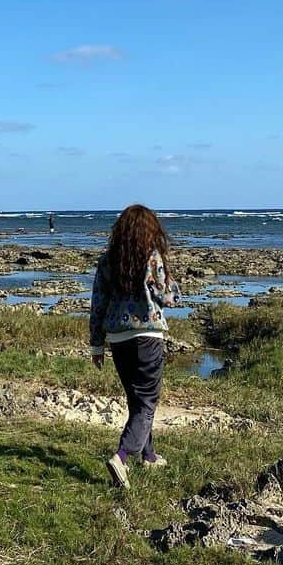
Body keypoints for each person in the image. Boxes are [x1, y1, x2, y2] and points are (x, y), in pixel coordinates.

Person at [89, 204, 180, 489]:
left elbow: (98, 303)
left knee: (137, 400)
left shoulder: (108, 261)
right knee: (147, 402)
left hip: (118, 338)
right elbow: (167, 297)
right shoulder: (152, 257)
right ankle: (122, 456)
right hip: (147, 335)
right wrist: (173, 282)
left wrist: (96, 345)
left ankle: (149, 455)